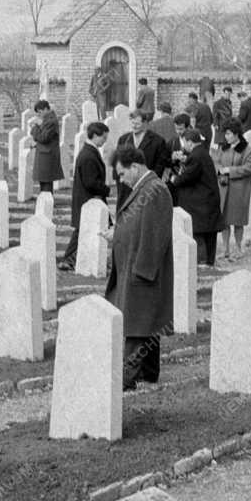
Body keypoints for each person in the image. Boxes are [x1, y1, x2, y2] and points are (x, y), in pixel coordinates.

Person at [105, 145, 174, 390]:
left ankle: (125, 380)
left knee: (137, 326)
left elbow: (155, 236)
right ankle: (148, 373)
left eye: (122, 174)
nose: (121, 180)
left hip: (142, 273)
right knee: (147, 323)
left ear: (135, 167)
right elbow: (137, 225)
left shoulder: (155, 190)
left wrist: (142, 273)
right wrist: (118, 234)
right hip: (135, 270)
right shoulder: (145, 188)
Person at [61, 121, 110, 271]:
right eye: (103, 138)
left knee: (85, 230)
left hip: (88, 199)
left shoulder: (89, 152)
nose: (105, 141)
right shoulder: (89, 155)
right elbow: (90, 182)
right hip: (88, 199)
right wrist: (106, 190)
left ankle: (79, 259)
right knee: (82, 231)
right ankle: (68, 260)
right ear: (95, 135)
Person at [172, 129, 223, 266]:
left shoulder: (195, 156)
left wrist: (174, 179)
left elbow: (187, 177)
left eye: (185, 143)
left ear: (190, 142)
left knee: (199, 234)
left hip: (200, 204)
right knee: (209, 235)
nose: (184, 146)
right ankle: (209, 262)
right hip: (208, 200)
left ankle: (202, 263)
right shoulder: (201, 152)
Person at [115, 110, 171, 210]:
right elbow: (117, 163)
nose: (134, 126)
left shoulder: (158, 141)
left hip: (146, 187)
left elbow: (159, 166)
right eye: (132, 123)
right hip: (126, 188)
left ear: (145, 123)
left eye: (137, 123)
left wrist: (149, 184)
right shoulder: (123, 139)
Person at [216, 119, 251, 261]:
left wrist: (229, 171)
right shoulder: (223, 148)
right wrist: (220, 171)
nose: (226, 137)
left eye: (229, 134)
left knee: (238, 221)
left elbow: (248, 168)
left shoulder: (248, 150)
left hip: (239, 190)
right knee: (224, 221)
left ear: (236, 134)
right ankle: (225, 249)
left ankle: (239, 248)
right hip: (224, 189)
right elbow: (217, 162)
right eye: (225, 134)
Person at [30, 100, 63, 195]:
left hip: (47, 155)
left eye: (40, 112)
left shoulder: (50, 121)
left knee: (46, 182)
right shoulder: (48, 119)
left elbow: (43, 138)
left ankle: (47, 203)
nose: (39, 115)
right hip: (45, 153)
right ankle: (44, 203)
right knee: (43, 182)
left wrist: (34, 127)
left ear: (45, 109)